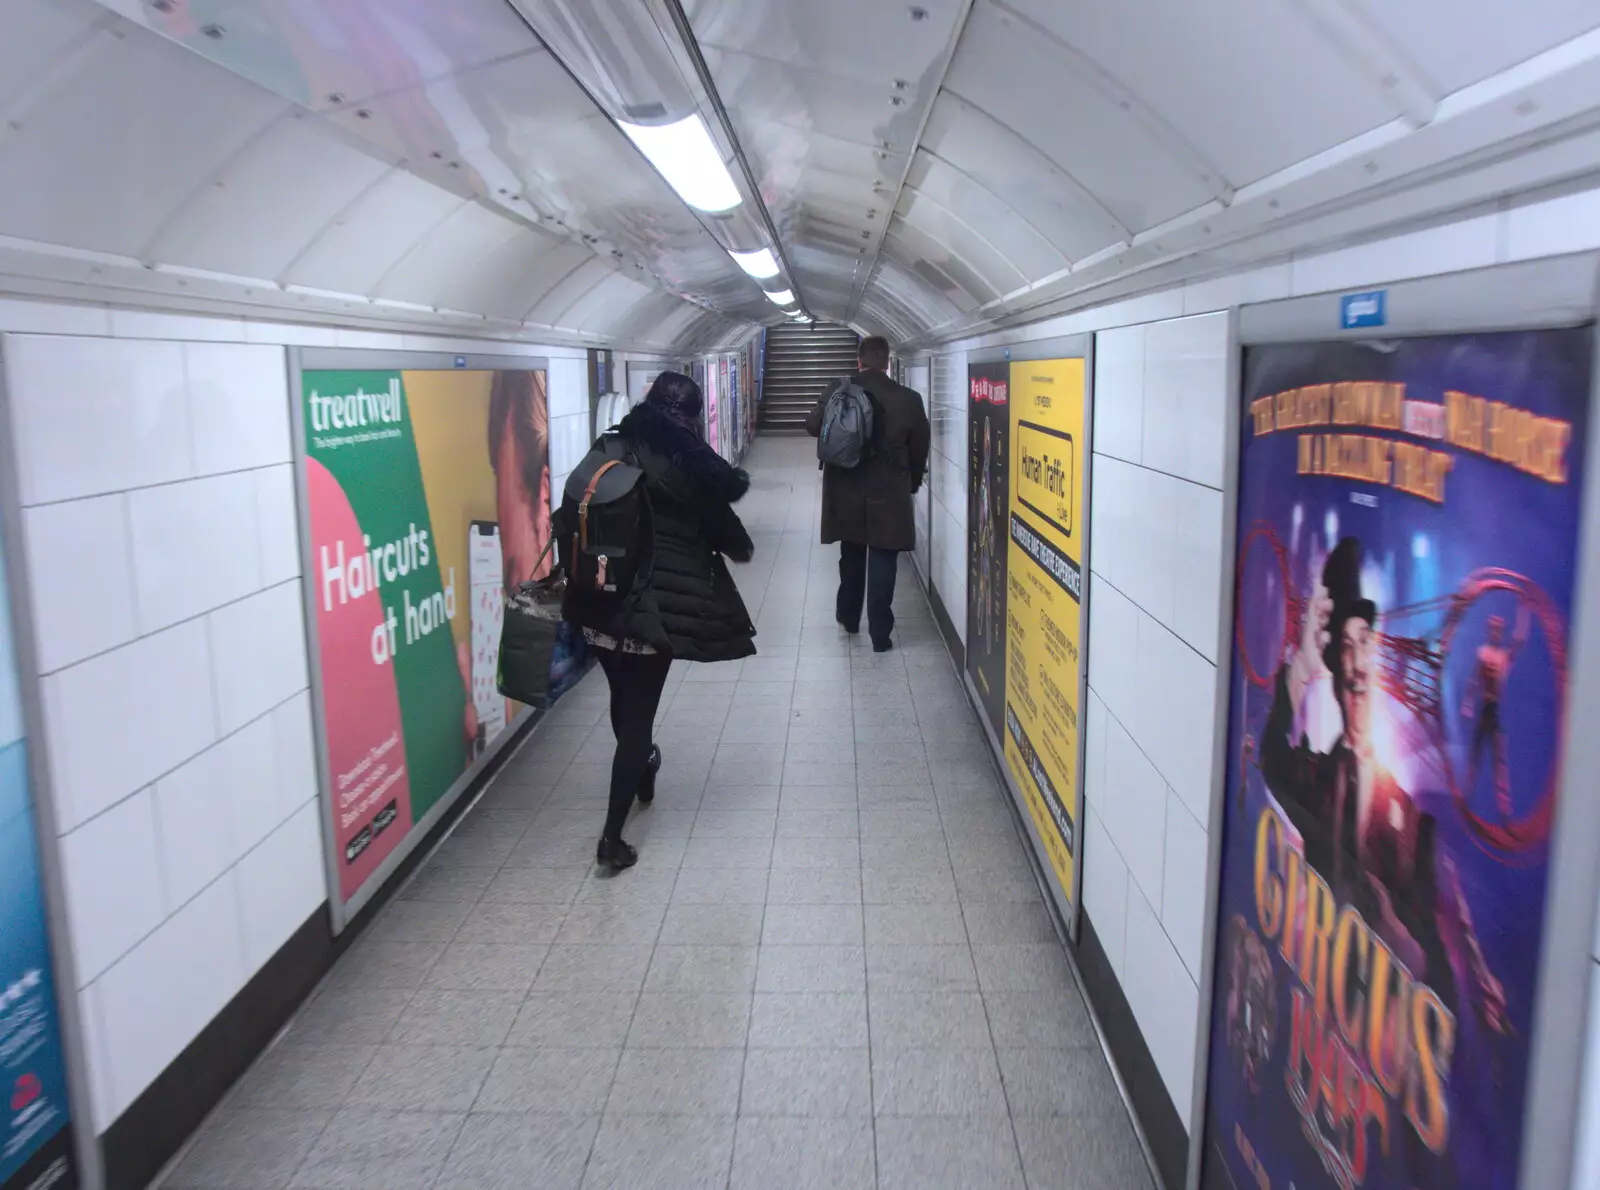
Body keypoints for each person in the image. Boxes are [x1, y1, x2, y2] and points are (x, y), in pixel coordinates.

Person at [1261, 537, 1507, 1034]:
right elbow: (1271, 759)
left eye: (1364, 643)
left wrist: (1413, 943)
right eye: (1345, 647)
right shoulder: (1317, 775)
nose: (1354, 661)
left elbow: (1441, 956)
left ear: (1378, 663)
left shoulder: (1415, 818)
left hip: (1385, 1040)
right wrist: (1302, 665)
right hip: (1321, 1018)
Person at [562, 371, 756, 871]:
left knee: (622, 701)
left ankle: (644, 764)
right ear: (691, 417)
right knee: (637, 717)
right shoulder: (691, 466)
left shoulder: (611, 445)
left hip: (599, 601)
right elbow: (733, 539)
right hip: (654, 612)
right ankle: (611, 837)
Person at [804, 335, 931, 651]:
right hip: (889, 490)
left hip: (845, 485)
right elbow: (920, 448)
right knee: (884, 558)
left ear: (859, 361)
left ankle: (848, 617)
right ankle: (880, 635)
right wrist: (912, 482)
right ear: (888, 363)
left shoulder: (839, 388)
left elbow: (811, 426)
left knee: (851, 552)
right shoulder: (909, 398)